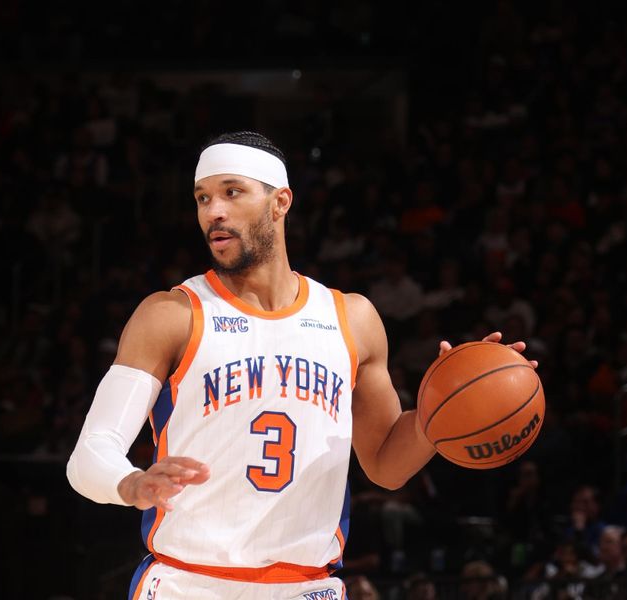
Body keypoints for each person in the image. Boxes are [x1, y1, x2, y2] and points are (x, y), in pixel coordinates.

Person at [66, 131, 538, 599]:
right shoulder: (171, 315)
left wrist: (445, 408)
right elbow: (90, 455)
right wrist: (131, 483)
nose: (214, 211)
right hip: (188, 583)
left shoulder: (352, 318)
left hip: (306, 589)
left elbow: (387, 467)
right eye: (203, 197)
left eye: (232, 192)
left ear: (280, 201)